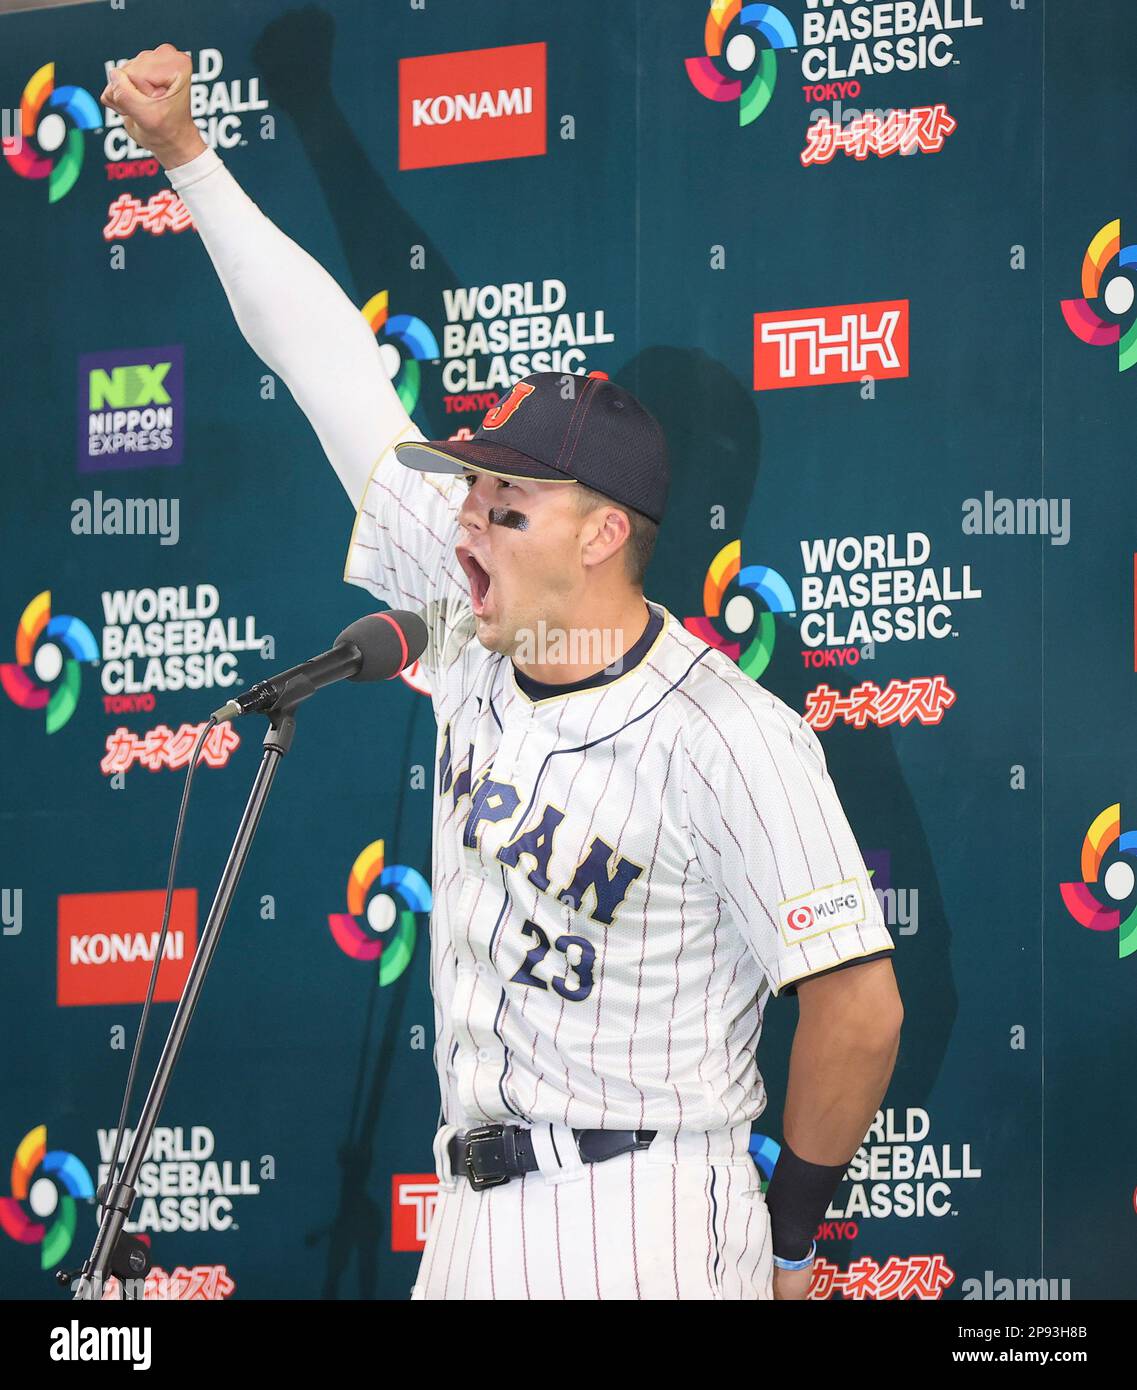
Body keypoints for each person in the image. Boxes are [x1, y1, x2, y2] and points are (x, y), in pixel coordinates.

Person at [102, 45, 903, 1302]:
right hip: (471, 1218)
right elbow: (331, 370)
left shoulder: (729, 734)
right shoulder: (481, 620)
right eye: (470, 494)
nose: (467, 524)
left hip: (649, 1212)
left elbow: (859, 1008)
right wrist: (190, 160)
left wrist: (794, 1246)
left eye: (506, 504)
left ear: (602, 537)